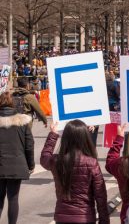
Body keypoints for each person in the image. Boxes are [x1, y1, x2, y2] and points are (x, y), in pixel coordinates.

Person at [41, 120, 109, 224]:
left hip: (62, 217)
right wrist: (104, 221)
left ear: (65, 138)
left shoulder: (57, 161)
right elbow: (101, 197)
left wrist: (53, 134)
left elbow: (44, 158)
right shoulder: (91, 163)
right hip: (85, 217)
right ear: (85, 138)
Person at [0, 92, 34, 224]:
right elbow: (29, 145)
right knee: (13, 198)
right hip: (17, 164)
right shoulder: (22, 121)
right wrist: (30, 165)